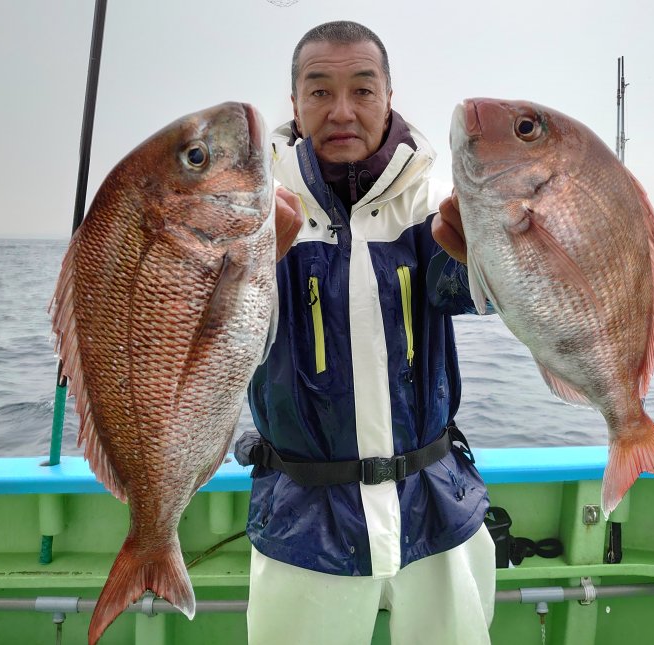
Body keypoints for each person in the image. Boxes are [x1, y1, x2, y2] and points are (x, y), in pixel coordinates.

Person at [235, 20, 495, 645]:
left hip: (435, 505)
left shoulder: (435, 206)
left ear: (389, 97)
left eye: (362, 89)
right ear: (294, 102)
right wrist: (248, 265)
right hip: (302, 518)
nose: (342, 111)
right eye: (320, 91)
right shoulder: (252, 212)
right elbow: (214, 342)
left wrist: (489, 250)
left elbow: (478, 295)